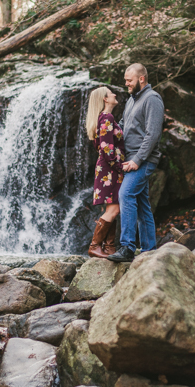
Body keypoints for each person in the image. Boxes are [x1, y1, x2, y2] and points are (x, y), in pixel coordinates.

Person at [108, 63, 165, 263]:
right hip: (129, 159)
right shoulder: (132, 100)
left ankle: (128, 247)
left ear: (141, 79)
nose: (126, 84)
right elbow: (122, 126)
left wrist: (137, 160)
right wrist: (107, 130)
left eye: (129, 80)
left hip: (143, 160)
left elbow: (153, 134)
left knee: (126, 193)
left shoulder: (153, 99)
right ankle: (149, 251)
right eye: (125, 80)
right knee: (142, 206)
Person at [85, 86, 125, 258]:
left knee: (112, 207)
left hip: (107, 169)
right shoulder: (106, 117)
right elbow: (107, 149)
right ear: (105, 99)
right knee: (114, 209)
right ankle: (95, 246)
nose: (114, 94)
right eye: (111, 93)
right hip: (111, 169)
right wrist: (121, 166)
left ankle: (109, 248)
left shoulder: (101, 119)